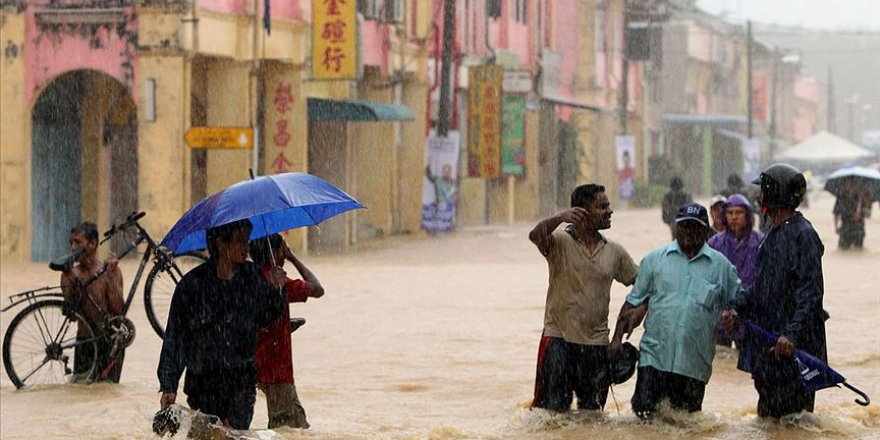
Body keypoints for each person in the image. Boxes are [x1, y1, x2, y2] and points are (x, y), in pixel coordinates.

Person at [609, 203, 742, 419]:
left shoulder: (722, 268)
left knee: (687, 424)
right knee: (644, 419)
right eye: (684, 226)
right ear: (676, 228)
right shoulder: (654, 260)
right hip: (653, 359)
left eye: (694, 227)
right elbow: (633, 302)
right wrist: (615, 340)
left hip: (693, 365)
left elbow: (740, 302)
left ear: (705, 230)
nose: (689, 232)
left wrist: (734, 316)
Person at [157, 219, 287, 430]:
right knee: (208, 434)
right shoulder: (192, 286)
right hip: (202, 383)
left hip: (241, 381)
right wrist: (168, 385)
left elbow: (267, 318)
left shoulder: (253, 277)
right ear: (221, 243)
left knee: (232, 433)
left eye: (247, 240)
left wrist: (276, 291)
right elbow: (176, 338)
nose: (246, 248)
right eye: (240, 241)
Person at [722, 163, 828, 419]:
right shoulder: (772, 234)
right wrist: (737, 307)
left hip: (794, 351)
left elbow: (811, 294)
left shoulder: (804, 235)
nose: (758, 198)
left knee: (795, 421)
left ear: (775, 194)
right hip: (769, 347)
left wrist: (791, 334)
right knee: (768, 420)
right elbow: (761, 288)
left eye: (763, 191)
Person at [528, 183, 639, 412]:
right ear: (581, 212)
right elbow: (535, 235)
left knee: (592, 418)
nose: (610, 211)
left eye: (608, 206)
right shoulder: (559, 242)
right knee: (550, 415)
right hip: (558, 341)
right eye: (602, 206)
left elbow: (643, 285)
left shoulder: (614, 252)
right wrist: (559, 218)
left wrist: (618, 336)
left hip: (597, 347)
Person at [249, 234, 325, 429]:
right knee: (288, 429)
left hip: (251, 364)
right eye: (283, 249)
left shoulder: (247, 279)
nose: (285, 254)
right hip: (277, 368)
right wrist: (293, 258)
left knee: (296, 425)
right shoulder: (281, 283)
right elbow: (317, 289)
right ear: (275, 252)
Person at [60, 222, 125, 383]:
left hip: (109, 343)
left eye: (78, 242)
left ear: (93, 244)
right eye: (71, 243)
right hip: (84, 341)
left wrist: (110, 277)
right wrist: (69, 282)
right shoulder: (72, 273)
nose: (73, 248)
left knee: (107, 392)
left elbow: (118, 311)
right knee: (80, 393)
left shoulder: (110, 270)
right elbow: (71, 315)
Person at [708, 194, 764, 346]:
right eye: (730, 213)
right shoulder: (714, 243)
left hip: (749, 314)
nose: (734, 217)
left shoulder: (761, 242)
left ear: (748, 215)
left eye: (739, 213)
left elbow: (765, 281)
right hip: (721, 314)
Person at [833, 177, 870, 250]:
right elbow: (836, 213)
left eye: (852, 184)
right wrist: (836, 227)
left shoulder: (860, 196)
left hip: (858, 228)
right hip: (845, 227)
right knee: (842, 249)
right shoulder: (841, 197)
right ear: (845, 185)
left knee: (858, 250)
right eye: (849, 184)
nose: (850, 186)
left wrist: (865, 199)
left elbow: (868, 212)